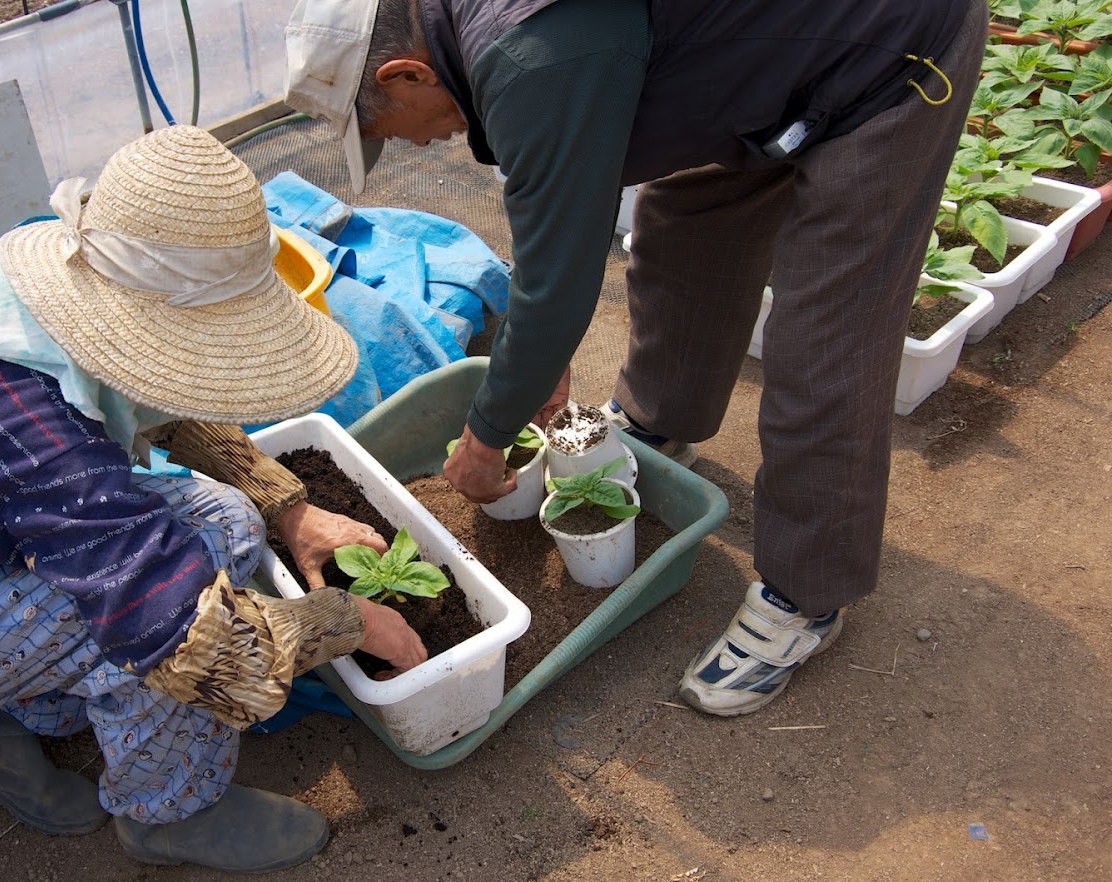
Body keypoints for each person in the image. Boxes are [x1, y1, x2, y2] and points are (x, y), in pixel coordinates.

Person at [286, 0, 987, 715]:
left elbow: (557, 282)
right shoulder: (492, 40)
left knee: (826, 344)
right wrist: (541, 346)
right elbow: (552, 233)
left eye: (386, 131)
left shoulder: (532, 55)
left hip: (884, 48)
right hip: (755, 60)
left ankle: (805, 599)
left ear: (406, 72)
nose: (417, 149)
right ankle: (660, 419)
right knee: (683, 227)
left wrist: (486, 437)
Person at [0, 125, 427, 874]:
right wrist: (352, 619)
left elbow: (163, 393)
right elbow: (195, 644)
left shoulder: (32, 316)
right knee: (152, 614)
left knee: (221, 522)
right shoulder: (38, 439)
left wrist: (288, 506)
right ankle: (171, 814)